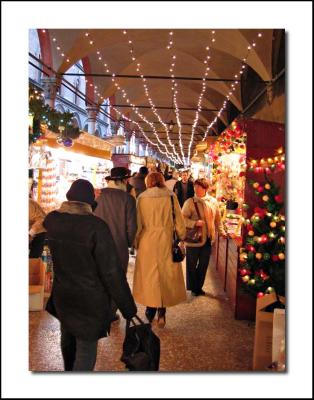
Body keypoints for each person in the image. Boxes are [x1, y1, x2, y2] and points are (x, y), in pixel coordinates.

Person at [43, 179, 137, 371]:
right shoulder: (96, 227)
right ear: (90, 200)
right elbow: (112, 273)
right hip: (90, 301)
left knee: (68, 340)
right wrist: (128, 308)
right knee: (85, 350)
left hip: (63, 296)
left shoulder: (52, 220)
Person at [133, 172, 186, 328]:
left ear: (148, 182)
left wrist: (136, 242)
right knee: (164, 275)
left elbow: (138, 223)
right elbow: (179, 220)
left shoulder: (142, 198)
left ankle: (150, 310)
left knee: (150, 276)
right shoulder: (170, 197)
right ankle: (162, 313)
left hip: (147, 241)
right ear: (162, 181)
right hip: (166, 239)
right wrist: (181, 236)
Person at [94, 167, 137, 319]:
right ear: (123, 181)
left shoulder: (97, 196)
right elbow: (132, 227)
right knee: (118, 280)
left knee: (99, 276)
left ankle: (99, 308)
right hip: (118, 247)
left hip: (97, 245)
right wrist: (130, 244)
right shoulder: (128, 199)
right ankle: (111, 312)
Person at [182, 178, 227, 296]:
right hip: (194, 239)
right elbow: (182, 219)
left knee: (203, 265)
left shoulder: (213, 201)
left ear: (205, 188)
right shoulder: (190, 202)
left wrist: (221, 232)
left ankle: (198, 286)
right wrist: (194, 223)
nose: (196, 189)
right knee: (191, 264)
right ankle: (193, 288)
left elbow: (217, 219)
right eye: (194, 187)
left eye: (199, 187)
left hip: (207, 238)